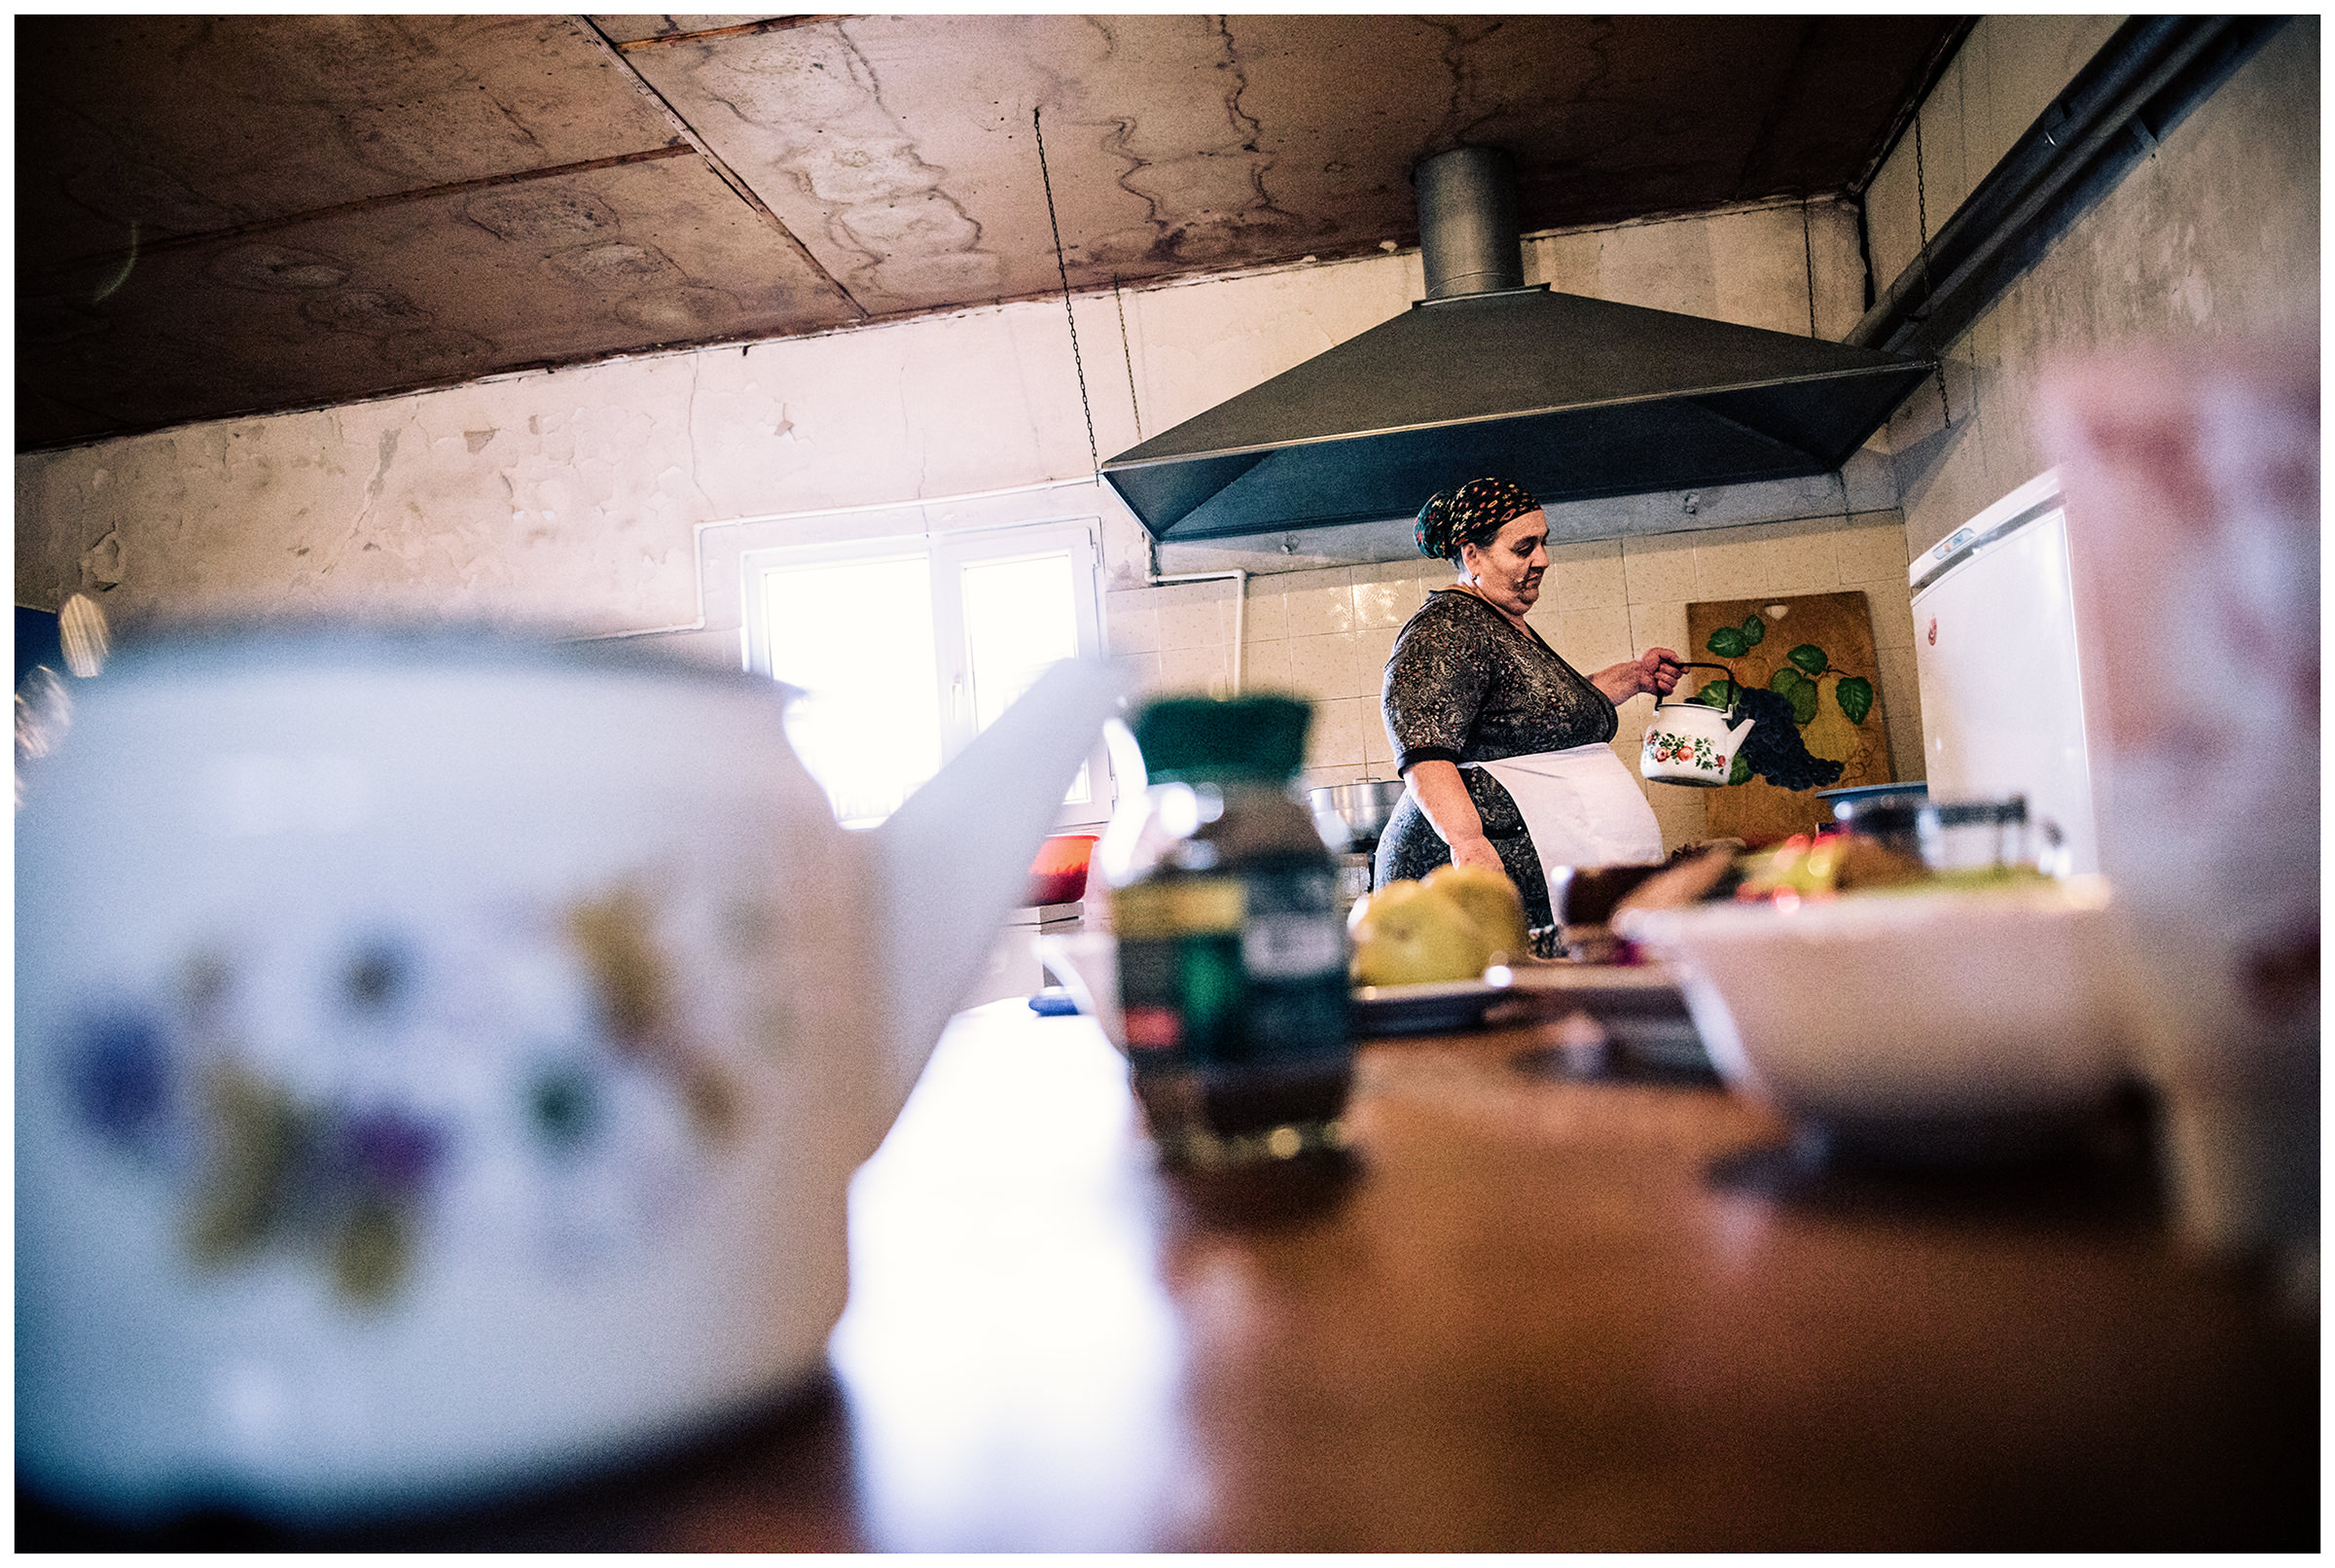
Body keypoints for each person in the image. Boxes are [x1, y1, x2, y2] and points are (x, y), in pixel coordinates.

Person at [1375, 477, 1683, 940]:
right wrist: (1468, 842)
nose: (1542, 559)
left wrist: (1634, 676)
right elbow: (1422, 746)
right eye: (1523, 548)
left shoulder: (1500, 622)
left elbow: (1548, 709)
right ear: (1473, 555)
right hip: (1480, 885)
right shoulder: (1446, 626)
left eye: (1542, 543)